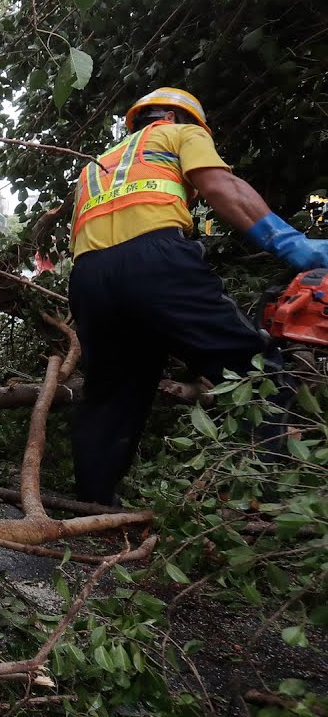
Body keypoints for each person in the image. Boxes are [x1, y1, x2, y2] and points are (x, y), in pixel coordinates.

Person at [66, 87, 328, 506]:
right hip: (156, 259)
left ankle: (92, 506)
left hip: (89, 275)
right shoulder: (177, 133)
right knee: (253, 368)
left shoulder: (97, 166)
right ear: (172, 115)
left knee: (112, 392)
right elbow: (222, 187)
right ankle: (265, 501)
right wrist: (292, 244)